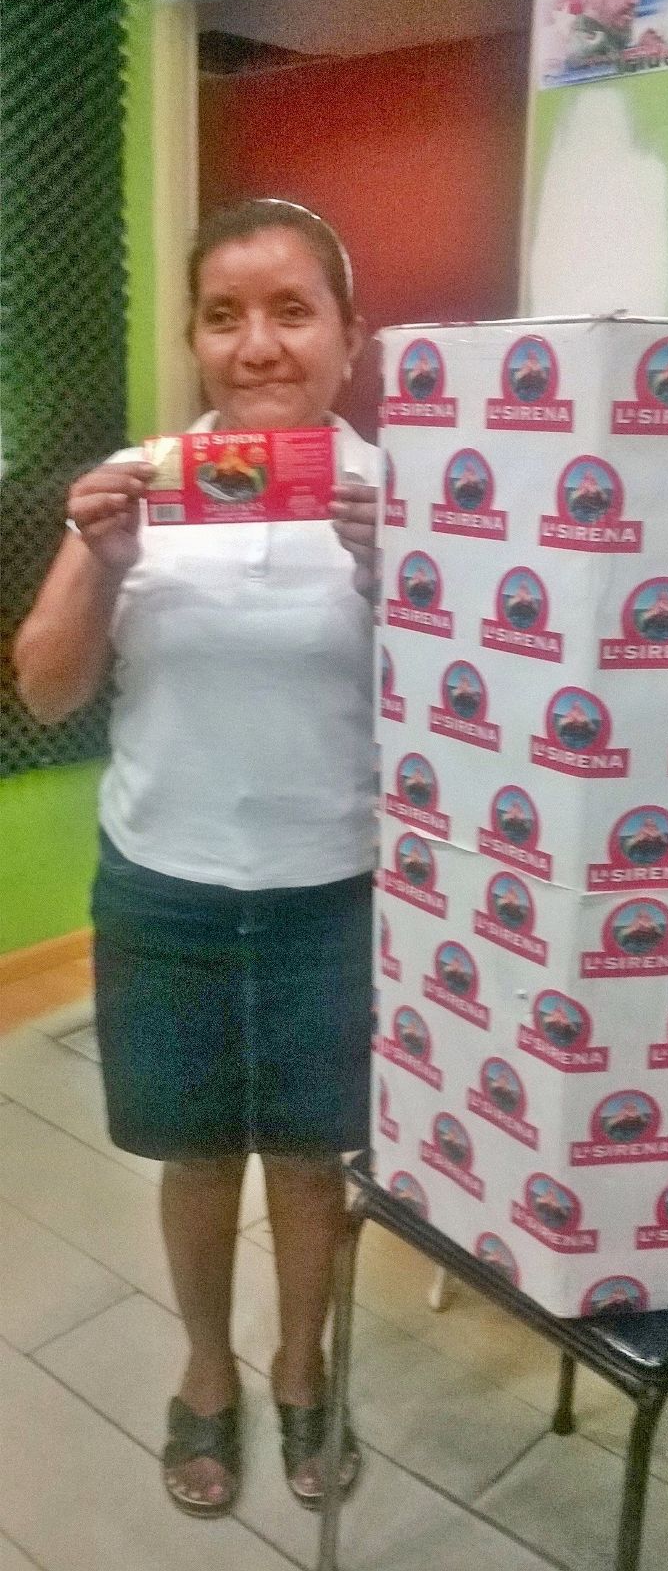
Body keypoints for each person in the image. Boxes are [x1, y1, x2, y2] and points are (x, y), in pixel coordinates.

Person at [13, 199, 380, 1519]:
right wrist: (98, 556)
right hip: (163, 885)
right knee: (197, 1155)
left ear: (349, 337)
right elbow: (46, 691)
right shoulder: (138, 483)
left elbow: (478, 713)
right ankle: (207, 1367)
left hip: (335, 889)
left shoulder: (406, 498)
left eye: (292, 311)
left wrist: (401, 576)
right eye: (224, 316)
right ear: (193, 339)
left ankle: (301, 1365)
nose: (257, 343)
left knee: (311, 1157)